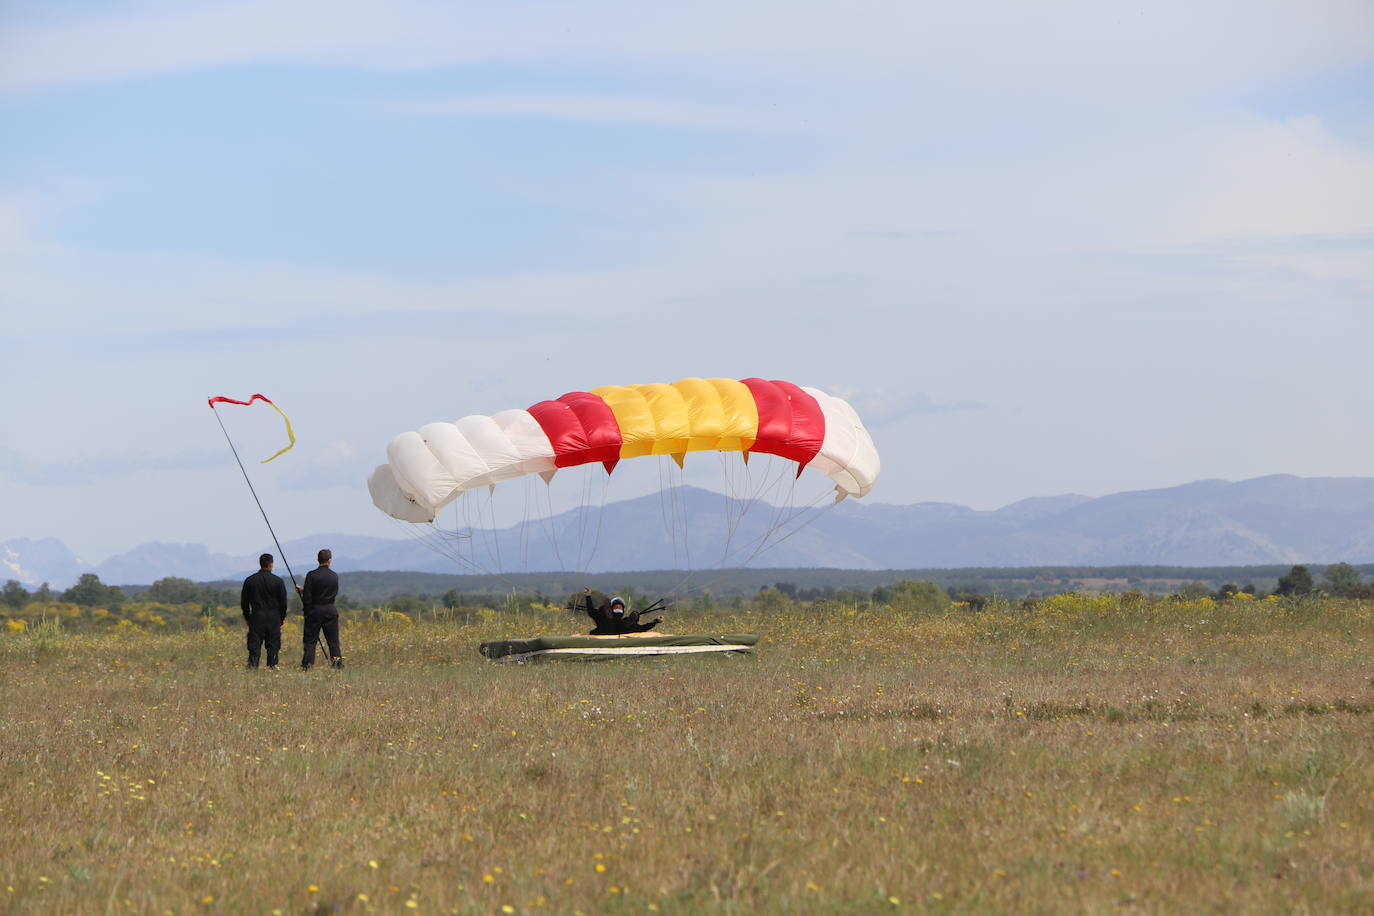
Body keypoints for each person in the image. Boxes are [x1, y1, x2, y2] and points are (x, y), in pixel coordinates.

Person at [297, 548, 343, 669]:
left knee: (310, 642)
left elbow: (308, 597)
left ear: (318, 560)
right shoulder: (334, 576)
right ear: (329, 560)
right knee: (333, 642)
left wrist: (306, 609)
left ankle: (307, 666)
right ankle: (337, 665)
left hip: (314, 611)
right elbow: (332, 593)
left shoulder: (311, 575)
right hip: (330, 610)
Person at [240, 552, 287, 669]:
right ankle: (272, 667)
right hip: (274, 617)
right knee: (273, 645)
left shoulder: (250, 580)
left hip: (256, 616)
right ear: (271, 564)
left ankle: (253, 667)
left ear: (260, 564)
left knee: (254, 645)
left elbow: (244, 602)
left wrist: (247, 617)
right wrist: (281, 618)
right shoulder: (278, 581)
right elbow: (283, 604)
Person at [580, 588, 663, 635]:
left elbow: (642, 628)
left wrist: (655, 621)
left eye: (620, 607)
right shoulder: (602, 617)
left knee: (630, 621)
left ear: (623, 610)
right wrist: (588, 596)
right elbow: (591, 611)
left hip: (621, 631)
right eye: (616, 606)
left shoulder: (625, 622)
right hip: (604, 633)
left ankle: (632, 620)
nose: (618, 608)